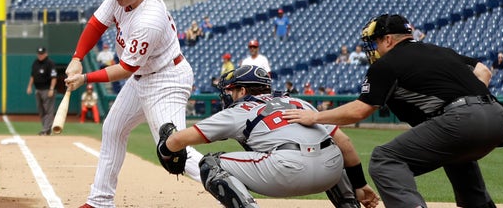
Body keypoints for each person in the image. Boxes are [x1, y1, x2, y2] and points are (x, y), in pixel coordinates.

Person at [283, 13, 503, 208]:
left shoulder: (387, 63)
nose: (372, 48)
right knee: (457, 157)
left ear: (388, 40)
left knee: (385, 160)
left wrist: (314, 116)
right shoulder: (440, 50)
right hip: (498, 116)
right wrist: (472, 102)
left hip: (462, 119)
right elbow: (484, 70)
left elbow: (360, 110)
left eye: (374, 42)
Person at [62, 0, 203, 208]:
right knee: (113, 129)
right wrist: (77, 57)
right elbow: (96, 24)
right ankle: (100, 202)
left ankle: (231, 182)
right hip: (144, 78)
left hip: (165, 80)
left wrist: (85, 78)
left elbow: (126, 68)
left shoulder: (149, 18)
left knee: (174, 149)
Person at [156, 65, 378, 208]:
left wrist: (166, 149)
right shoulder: (300, 103)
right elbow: (345, 144)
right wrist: (359, 185)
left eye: (231, 90)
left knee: (210, 163)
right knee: (327, 148)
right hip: (330, 173)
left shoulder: (238, 111)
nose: (228, 95)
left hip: (286, 170)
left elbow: (179, 140)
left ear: (242, 91)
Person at [28, 46, 59, 135]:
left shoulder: (50, 63)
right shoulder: (35, 63)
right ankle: (47, 129)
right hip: (38, 89)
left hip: (47, 89)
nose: (40, 55)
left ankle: (45, 129)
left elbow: (54, 77)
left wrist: (51, 89)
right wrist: (29, 86)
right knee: (41, 110)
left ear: (46, 54)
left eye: (42, 54)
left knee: (48, 110)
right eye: (39, 54)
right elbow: (32, 76)